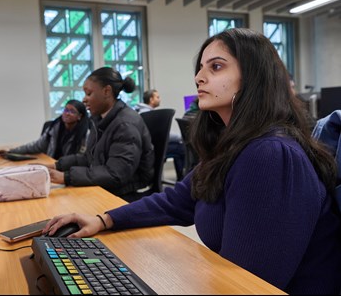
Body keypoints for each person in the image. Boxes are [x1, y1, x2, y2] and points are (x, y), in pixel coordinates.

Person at [43, 28, 341, 295]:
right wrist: (104, 220)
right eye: (201, 68)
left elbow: (247, 285)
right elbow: (177, 199)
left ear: (253, 77)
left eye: (216, 67)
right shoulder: (235, 146)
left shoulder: (269, 155)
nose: (199, 77)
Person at [47, 67, 155, 199]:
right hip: (111, 187)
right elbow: (89, 158)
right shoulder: (100, 120)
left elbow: (115, 174)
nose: (84, 100)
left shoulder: (125, 125)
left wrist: (66, 177)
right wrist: (56, 166)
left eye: (89, 93)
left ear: (106, 91)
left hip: (129, 194)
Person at [0, 99, 89, 160]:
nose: (67, 114)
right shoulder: (54, 128)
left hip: (69, 170)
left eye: (72, 111)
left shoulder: (85, 134)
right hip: (52, 166)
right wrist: (10, 151)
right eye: (66, 110)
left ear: (79, 116)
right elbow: (36, 146)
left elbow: (80, 159)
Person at [135, 89, 186, 181]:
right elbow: (164, 136)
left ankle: (181, 178)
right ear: (151, 99)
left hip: (147, 148)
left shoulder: (140, 111)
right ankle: (182, 179)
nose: (159, 99)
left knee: (179, 145)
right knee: (182, 148)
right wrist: (180, 137)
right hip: (154, 149)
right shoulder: (149, 114)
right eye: (157, 97)